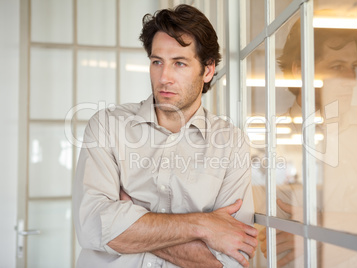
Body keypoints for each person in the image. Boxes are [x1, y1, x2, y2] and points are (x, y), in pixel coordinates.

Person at [73, 4, 257, 268]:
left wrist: (135, 221)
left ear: (207, 70)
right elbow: (93, 227)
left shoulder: (230, 144)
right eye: (157, 62)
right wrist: (203, 225)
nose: (164, 77)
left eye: (179, 63)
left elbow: (227, 260)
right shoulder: (107, 127)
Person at [257, 18, 357, 268]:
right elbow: (274, 246)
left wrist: (326, 227)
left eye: (354, 66)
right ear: (300, 71)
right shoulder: (267, 144)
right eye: (337, 66)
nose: (351, 79)